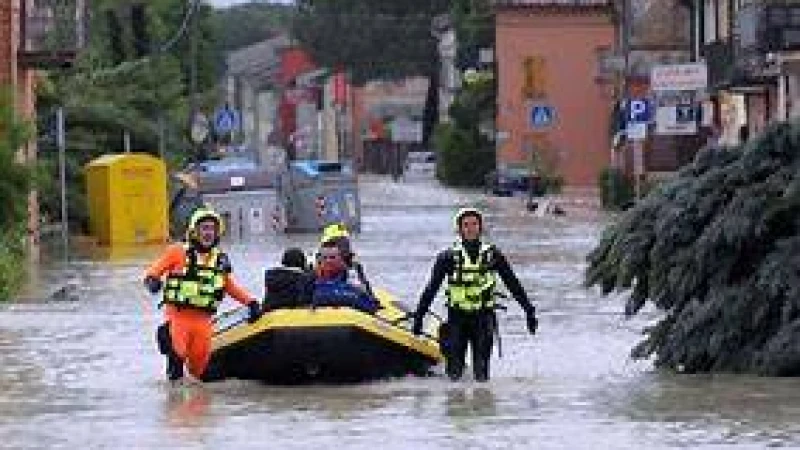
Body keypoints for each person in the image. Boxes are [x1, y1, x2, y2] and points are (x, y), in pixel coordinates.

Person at [412, 207, 538, 382]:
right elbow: (430, 289)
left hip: (483, 319)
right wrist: (419, 318)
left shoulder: (493, 255)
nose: (470, 228)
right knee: (454, 374)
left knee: (481, 375)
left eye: (474, 224)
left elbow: (513, 283)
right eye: (466, 225)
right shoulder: (446, 258)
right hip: (456, 319)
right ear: (459, 229)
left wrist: (529, 311)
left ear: (480, 227)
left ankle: (482, 406)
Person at [143, 207, 262, 381]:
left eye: (212, 229)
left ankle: (198, 403)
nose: (208, 233)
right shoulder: (177, 252)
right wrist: (153, 282)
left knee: (199, 370)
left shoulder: (220, 259)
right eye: (204, 228)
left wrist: (251, 302)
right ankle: (174, 401)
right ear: (194, 231)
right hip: (178, 318)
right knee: (177, 358)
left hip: (203, 321)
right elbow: (152, 273)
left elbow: (229, 287)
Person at [312, 241, 380, 314]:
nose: (328, 261)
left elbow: (369, 302)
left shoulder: (351, 275)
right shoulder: (311, 276)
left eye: (332, 257)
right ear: (319, 259)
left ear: (340, 258)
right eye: (325, 257)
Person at [317, 222, 373, 297]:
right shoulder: (315, 267)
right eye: (338, 243)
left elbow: (367, 292)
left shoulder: (354, 267)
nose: (343, 248)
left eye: (344, 243)